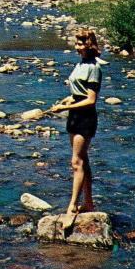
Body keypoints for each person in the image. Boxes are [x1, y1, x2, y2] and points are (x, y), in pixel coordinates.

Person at [50, 29, 102, 221]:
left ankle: (72, 206)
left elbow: (90, 100)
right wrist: (63, 103)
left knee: (76, 162)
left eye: (81, 43)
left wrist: (68, 106)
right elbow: (76, 92)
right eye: (77, 43)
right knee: (83, 160)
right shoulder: (80, 64)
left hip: (85, 117)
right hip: (74, 114)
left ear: (90, 45)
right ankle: (88, 202)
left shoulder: (94, 68)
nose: (78, 46)